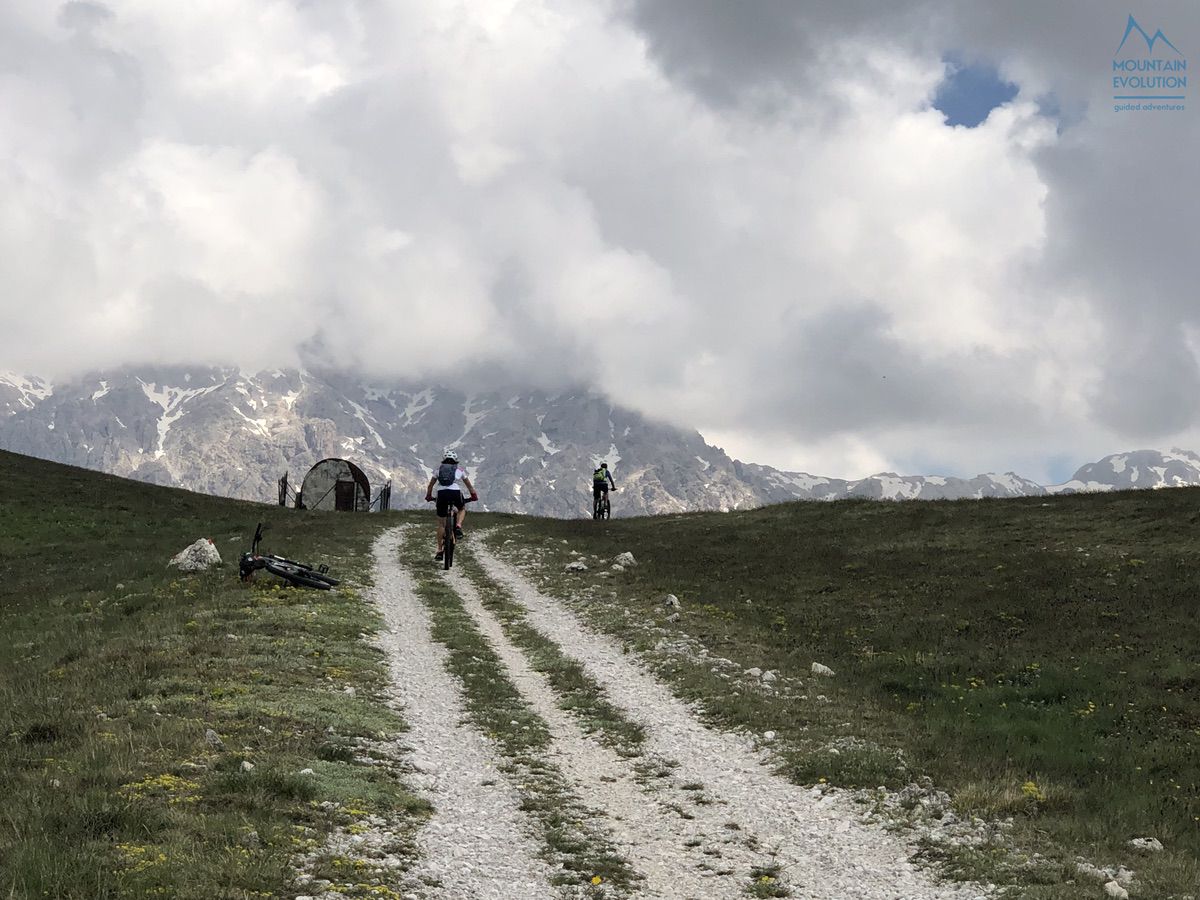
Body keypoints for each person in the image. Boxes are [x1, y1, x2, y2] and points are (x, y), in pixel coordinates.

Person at [425, 448, 478, 561]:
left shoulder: (438, 469)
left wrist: (429, 496)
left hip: (441, 494)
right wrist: (473, 495)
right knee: (461, 508)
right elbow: (469, 485)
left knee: (441, 524)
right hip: (455, 493)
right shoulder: (460, 470)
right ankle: (458, 526)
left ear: (444, 459)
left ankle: (439, 550)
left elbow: (430, 486)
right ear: (455, 460)